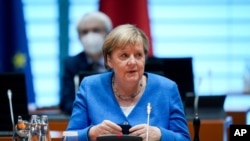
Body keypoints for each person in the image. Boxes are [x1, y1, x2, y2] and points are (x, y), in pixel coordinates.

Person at [66, 24, 191, 141]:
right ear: (109, 60)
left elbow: (185, 138)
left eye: (138, 55)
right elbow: (68, 138)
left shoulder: (167, 89)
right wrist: (90, 133)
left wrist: (160, 135)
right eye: (124, 56)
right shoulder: (90, 87)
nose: (132, 62)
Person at [59, 11, 113, 115]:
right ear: (79, 37)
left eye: (96, 30)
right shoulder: (71, 64)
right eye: (85, 32)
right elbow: (66, 103)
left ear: (109, 33)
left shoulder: (121, 60)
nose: (90, 35)